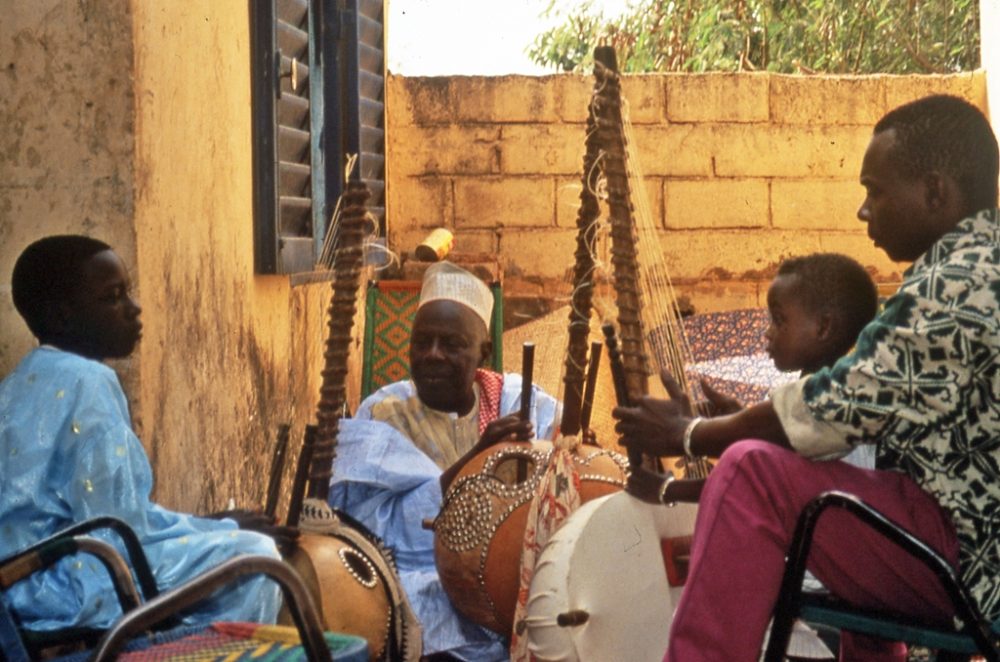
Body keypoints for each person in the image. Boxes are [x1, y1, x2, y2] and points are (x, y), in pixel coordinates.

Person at [613, 94, 1000, 662]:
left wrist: (691, 433)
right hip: (962, 537)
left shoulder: (956, 287)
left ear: (936, 191)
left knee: (752, 474)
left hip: (968, 559)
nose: (864, 212)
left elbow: (829, 409)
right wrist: (730, 421)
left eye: (876, 190)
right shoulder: (980, 265)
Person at [0, 236, 296, 633]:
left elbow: (108, 511)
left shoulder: (20, 382)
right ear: (61, 316)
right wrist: (223, 530)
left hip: (18, 584)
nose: (134, 309)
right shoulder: (90, 382)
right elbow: (117, 528)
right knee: (255, 558)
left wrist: (210, 524)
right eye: (113, 297)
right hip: (70, 583)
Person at [329, 261, 559, 661]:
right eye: (423, 342)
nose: (432, 355)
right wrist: (477, 458)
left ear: (482, 353)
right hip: (413, 581)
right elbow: (367, 531)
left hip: (508, 583)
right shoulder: (382, 413)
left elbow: (566, 469)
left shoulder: (516, 403)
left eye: (451, 345)